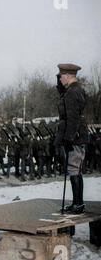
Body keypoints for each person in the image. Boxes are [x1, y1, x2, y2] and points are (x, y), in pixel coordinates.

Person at [55, 63, 89, 214]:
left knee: (74, 169)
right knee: (76, 170)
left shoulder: (71, 93)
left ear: (68, 76)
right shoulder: (78, 90)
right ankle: (78, 203)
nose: (60, 79)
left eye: (61, 76)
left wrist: (68, 138)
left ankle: (78, 204)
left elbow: (72, 118)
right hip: (79, 135)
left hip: (74, 137)